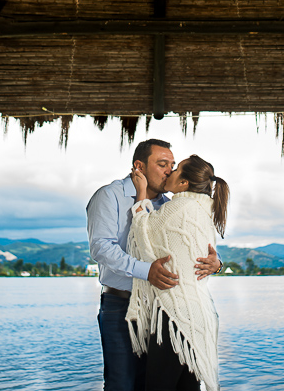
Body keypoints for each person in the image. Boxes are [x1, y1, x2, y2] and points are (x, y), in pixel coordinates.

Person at [88, 139, 222, 391]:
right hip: (120, 305)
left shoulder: (170, 204)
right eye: (162, 164)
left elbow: (192, 247)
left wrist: (217, 264)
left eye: (172, 165)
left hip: (161, 311)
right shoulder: (109, 196)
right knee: (121, 384)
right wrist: (146, 271)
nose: (169, 171)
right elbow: (101, 248)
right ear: (139, 166)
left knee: (151, 384)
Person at [125, 155, 229, 391]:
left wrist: (141, 193)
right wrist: (218, 264)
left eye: (176, 168)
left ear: (183, 183)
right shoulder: (204, 209)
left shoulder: (180, 207)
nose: (170, 171)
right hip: (198, 313)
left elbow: (143, 232)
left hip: (175, 315)